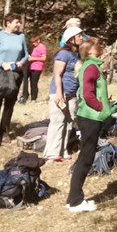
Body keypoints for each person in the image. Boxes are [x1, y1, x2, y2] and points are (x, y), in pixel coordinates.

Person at [67, 37, 112, 212]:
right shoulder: (91, 67)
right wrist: (100, 107)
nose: (100, 47)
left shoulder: (91, 66)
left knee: (85, 156)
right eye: (97, 45)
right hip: (90, 117)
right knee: (86, 158)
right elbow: (87, 94)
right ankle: (75, 201)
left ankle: (74, 198)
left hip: (89, 117)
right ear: (90, 50)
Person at [0, 14, 29, 147]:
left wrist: (21, 62)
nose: (18, 25)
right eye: (16, 22)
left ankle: (4, 131)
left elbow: (26, 54)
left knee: (9, 104)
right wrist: (3, 63)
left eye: (19, 22)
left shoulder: (21, 36)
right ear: (7, 23)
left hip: (15, 74)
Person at [43, 25, 83, 161]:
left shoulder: (77, 54)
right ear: (71, 39)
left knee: (69, 121)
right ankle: (52, 152)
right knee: (58, 121)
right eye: (79, 36)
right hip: (60, 92)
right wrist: (59, 93)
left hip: (72, 93)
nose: (81, 38)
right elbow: (57, 74)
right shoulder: (63, 54)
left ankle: (63, 149)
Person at [20, 35, 47, 104]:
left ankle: (33, 98)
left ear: (38, 40)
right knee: (27, 81)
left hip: (37, 67)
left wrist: (33, 58)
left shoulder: (42, 47)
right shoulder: (35, 47)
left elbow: (44, 58)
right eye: (32, 42)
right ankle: (25, 96)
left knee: (34, 83)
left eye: (34, 42)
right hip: (31, 67)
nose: (33, 44)